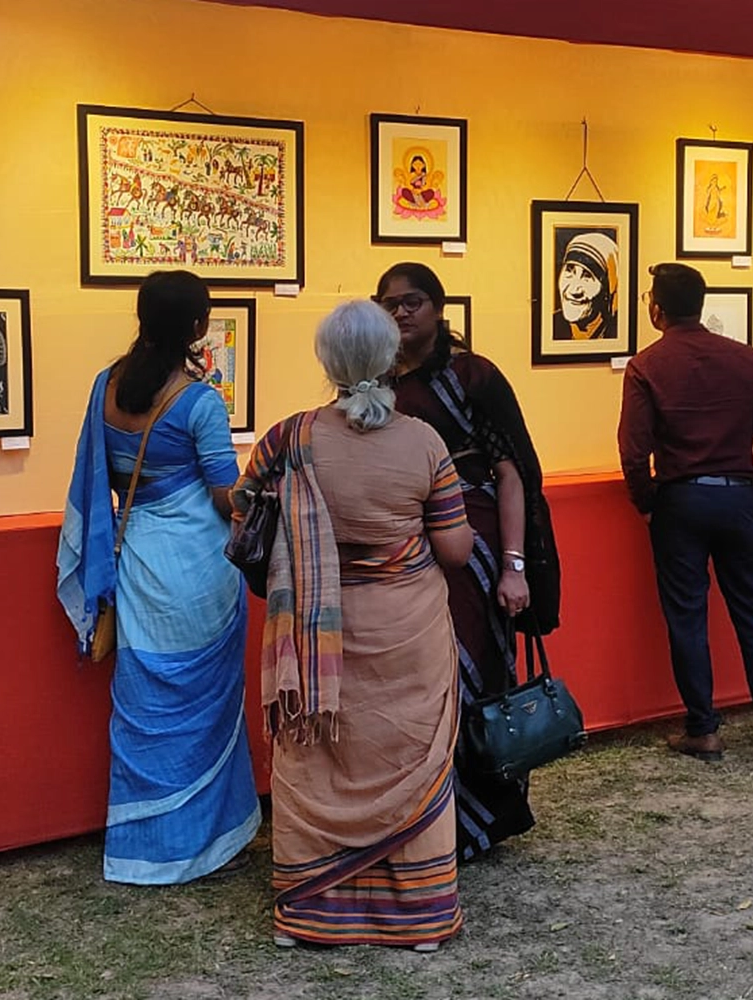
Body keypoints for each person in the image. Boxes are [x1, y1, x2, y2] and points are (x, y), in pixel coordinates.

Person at [232, 300, 472, 949]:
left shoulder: (288, 439)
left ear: (327, 362)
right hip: (406, 630)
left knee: (314, 756)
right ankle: (418, 918)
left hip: (313, 633)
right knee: (410, 757)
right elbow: (454, 550)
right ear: (391, 359)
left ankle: (307, 912)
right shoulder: (424, 443)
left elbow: (243, 514)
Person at [56, 270, 260, 883]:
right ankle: (203, 841)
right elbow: (226, 498)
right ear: (199, 327)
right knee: (204, 704)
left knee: (143, 699)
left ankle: (141, 849)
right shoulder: (199, 402)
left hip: (137, 559)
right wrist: (267, 480)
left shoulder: (106, 386)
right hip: (197, 565)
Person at [374, 262, 561, 862]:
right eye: (389, 304)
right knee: (416, 686)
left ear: (438, 307)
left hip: (474, 549)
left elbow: (513, 473)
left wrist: (513, 567)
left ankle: (479, 821)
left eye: (412, 302)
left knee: (473, 679)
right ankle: (421, 822)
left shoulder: (473, 376)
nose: (401, 313)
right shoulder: (374, 380)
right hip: (402, 549)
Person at [617, 262, 753, 766]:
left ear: (657, 310)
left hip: (680, 502)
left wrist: (646, 503)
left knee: (687, 618)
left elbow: (633, 450)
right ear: (701, 306)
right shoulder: (746, 359)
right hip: (739, 498)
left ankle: (703, 730)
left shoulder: (646, 366)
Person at [552, 232, 619, 341]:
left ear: (607, 290)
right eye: (569, 270)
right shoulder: (552, 326)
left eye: (587, 276)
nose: (574, 290)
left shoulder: (617, 330)